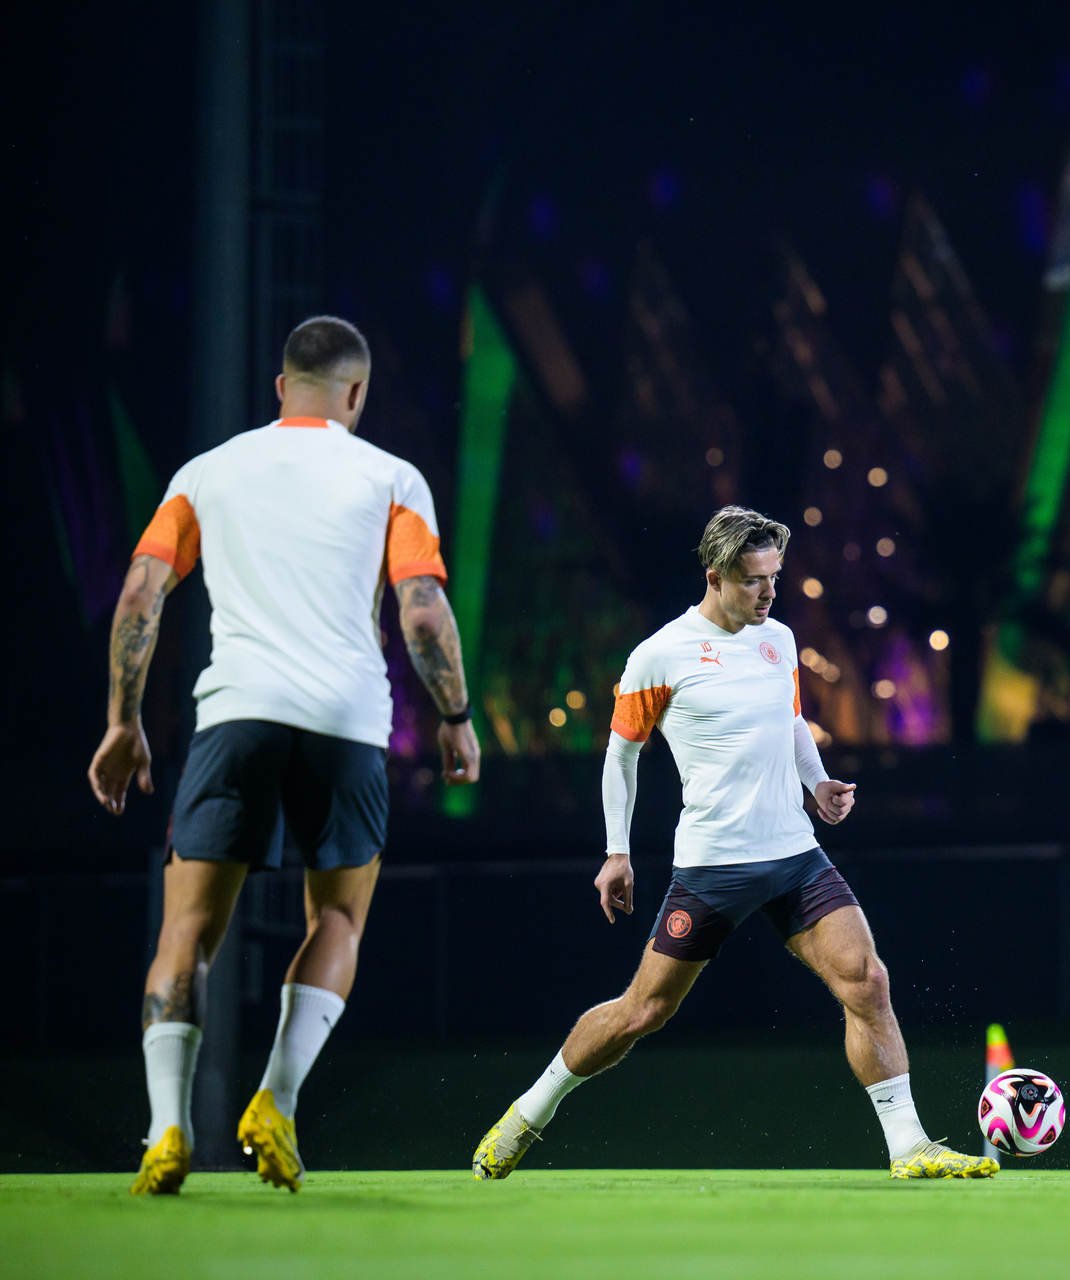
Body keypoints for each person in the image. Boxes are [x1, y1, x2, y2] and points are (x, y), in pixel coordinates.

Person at [470, 506, 997, 1180]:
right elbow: (619, 757)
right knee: (644, 1011)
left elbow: (792, 720)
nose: (769, 593)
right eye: (754, 581)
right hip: (713, 868)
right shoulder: (659, 655)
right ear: (715, 576)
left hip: (795, 857)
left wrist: (818, 784)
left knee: (867, 981)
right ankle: (527, 1114)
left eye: (774, 578)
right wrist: (616, 853)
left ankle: (909, 1147)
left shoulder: (777, 638)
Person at [90, 316, 481, 1195]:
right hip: (345, 723)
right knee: (336, 922)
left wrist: (123, 721)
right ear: (356, 393)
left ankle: (164, 1131)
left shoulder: (207, 472)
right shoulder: (390, 476)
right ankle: (276, 1098)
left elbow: (141, 592)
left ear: (280, 387)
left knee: (185, 933)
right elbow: (421, 611)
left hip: (235, 716)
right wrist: (454, 714)